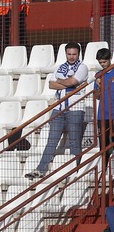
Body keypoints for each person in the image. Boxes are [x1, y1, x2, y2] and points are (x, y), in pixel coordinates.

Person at [27, 41, 89, 180]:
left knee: (74, 141)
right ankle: (40, 169)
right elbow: (51, 84)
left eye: (74, 54)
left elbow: (72, 82)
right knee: (51, 141)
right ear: (65, 54)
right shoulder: (61, 67)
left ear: (78, 54)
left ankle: (76, 169)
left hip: (75, 108)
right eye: (69, 54)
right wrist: (68, 83)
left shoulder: (83, 67)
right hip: (58, 109)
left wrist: (62, 82)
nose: (72, 57)